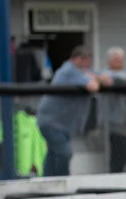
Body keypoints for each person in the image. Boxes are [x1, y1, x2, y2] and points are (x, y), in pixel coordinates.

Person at [35, 45, 101, 178]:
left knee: (53, 154)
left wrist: (94, 77)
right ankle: (63, 182)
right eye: (85, 59)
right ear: (77, 59)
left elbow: (104, 77)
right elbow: (93, 86)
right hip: (51, 122)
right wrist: (94, 78)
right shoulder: (69, 71)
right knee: (64, 154)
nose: (88, 63)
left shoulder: (82, 72)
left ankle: (46, 181)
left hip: (62, 124)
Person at [96, 47, 126, 173]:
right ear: (109, 61)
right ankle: (113, 178)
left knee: (124, 155)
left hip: (125, 122)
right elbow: (115, 82)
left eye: (121, 59)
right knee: (117, 155)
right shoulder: (105, 76)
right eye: (116, 59)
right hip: (112, 123)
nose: (120, 62)